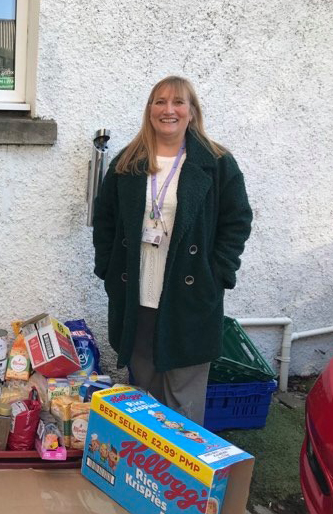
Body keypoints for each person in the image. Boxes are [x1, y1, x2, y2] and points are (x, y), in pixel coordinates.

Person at [93, 76, 252, 425]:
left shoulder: (217, 162)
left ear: (192, 112)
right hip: (137, 294)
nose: (169, 110)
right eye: (160, 102)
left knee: (182, 399)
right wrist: (107, 268)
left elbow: (237, 220)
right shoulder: (127, 162)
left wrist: (219, 273)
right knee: (143, 390)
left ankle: (182, 474)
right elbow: (104, 220)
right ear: (149, 110)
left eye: (178, 102)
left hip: (190, 297)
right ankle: (145, 471)